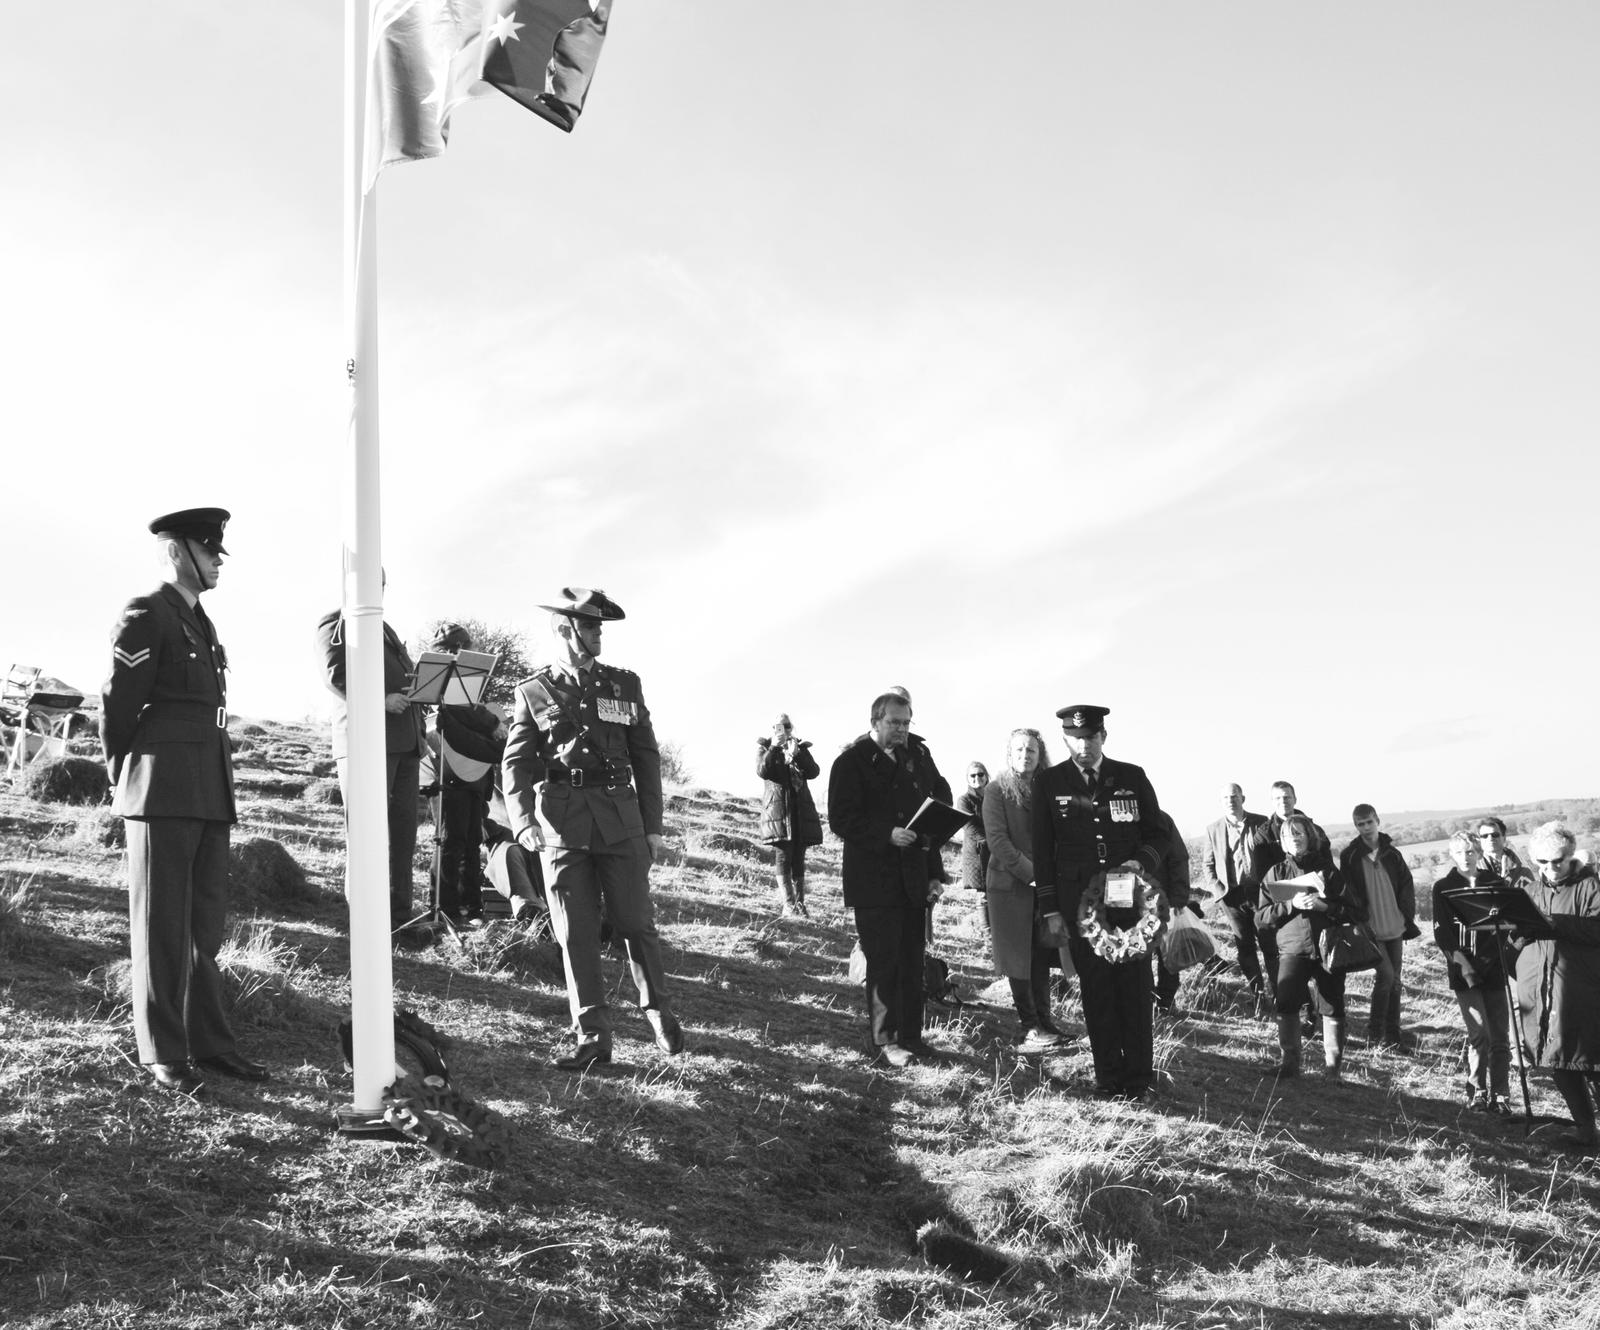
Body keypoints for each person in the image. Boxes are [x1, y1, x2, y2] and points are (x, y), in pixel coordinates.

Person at [100, 507, 267, 1094]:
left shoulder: (199, 621)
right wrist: (125, 777)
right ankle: (164, 1049)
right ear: (177, 552)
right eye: (208, 549)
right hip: (162, 782)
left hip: (208, 780)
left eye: (218, 551)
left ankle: (210, 1043)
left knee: (204, 927)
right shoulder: (148, 611)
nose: (219, 560)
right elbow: (119, 703)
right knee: (161, 924)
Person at [502, 587, 681, 1069]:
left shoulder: (624, 684)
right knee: (575, 933)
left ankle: (658, 1011)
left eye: (600, 626)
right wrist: (522, 822)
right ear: (565, 630)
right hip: (561, 825)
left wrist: (652, 825)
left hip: (620, 818)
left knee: (634, 922)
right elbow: (515, 762)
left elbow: (646, 756)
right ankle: (593, 1036)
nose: (599, 634)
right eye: (590, 626)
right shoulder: (533, 691)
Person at [1033, 704, 1167, 1100]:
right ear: (1064, 740)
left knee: (1135, 989)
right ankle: (1108, 1078)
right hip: (1081, 907)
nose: (1084, 745)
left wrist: (1140, 862)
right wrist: (1050, 908)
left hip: (1130, 905)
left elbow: (1158, 835)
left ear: (1103, 737)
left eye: (1090, 737)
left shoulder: (1131, 776)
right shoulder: (1049, 782)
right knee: (1097, 990)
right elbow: (1043, 851)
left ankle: (1139, 1079)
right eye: (1075, 738)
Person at [828, 691, 952, 1068]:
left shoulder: (917, 758)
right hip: (874, 879)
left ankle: (912, 1036)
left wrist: (934, 874)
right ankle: (886, 1040)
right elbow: (841, 819)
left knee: (912, 961)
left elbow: (932, 812)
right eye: (894, 723)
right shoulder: (851, 761)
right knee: (884, 963)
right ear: (875, 721)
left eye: (906, 723)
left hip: (913, 876)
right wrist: (886, 834)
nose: (901, 729)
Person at [314, 584, 428, 931]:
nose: (376, 590)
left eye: (380, 584)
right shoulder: (336, 621)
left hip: (406, 743)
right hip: (366, 742)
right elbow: (335, 675)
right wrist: (379, 700)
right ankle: (366, 922)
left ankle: (399, 917)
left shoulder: (385, 628)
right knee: (367, 834)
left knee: (403, 835)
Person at [1512, 822, 1600, 1150]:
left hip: (1581, 990)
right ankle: (1585, 1129)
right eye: (1542, 862)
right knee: (1557, 1062)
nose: (1550, 868)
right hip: (1539, 992)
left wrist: (1555, 923)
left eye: (1557, 860)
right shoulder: (1530, 892)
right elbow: (1517, 939)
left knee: (1591, 1062)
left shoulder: (1591, 888)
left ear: (1570, 855)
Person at [1256, 815, 1363, 1078]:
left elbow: (1355, 912)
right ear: (1282, 841)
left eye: (1299, 833)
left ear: (1309, 837)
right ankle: (1289, 1066)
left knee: (1332, 1005)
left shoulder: (1328, 871)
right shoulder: (1275, 874)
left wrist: (1325, 907)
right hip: (1293, 949)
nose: (1294, 839)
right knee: (1286, 1004)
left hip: (1329, 949)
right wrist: (1291, 905)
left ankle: (1332, 1071)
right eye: (1288, 835)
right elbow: (1261, 918)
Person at [982, 729, 1063, 1053]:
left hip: (1044, 886)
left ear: (1040, 754)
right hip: (1010, 886)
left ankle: (1045, 1022)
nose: (1024, 755)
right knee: (1018, 956)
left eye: (1031, 750)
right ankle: (1029, 1026)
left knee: (1041, 954)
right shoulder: (996, 790)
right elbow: (998, 841)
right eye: (1018, 750)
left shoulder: (1049, 788)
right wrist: (1033, 875)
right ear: (1009, 753)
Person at [427, 625, 507, 928]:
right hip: (450, 773)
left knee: (472, 840)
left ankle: (472, 907)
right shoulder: (441, 683)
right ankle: (445, 908)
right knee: (451, 841)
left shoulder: (464, 685)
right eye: (464, 648)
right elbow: (461, 713)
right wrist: (493, 726)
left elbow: (469, 713)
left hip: (473, 774)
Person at [1432, 831, 1512, 1113]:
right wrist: (1463, 965)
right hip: (1463, 968)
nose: (1465, 857)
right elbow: (1442, 932)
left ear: (1478, 853)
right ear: (1451, 855)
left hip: (1494, 966)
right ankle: (1477, 1090)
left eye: (1469, 851)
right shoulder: (1443, 887)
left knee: (1500, 1037)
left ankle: (1501, 1095)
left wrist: (1493, 959)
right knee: (1480, 1034)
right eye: (1459, 852)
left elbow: (1506, 925)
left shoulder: (1495, 883)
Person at [1339, 804, 1419, 1051]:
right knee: (1386, 976)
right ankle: (1374, 1036)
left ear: (1378, 821)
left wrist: (1406, 915)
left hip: (1395, 925)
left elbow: (1406, 884)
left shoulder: (1392, 853)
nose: (1365, 828)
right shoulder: (1350, 856)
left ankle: (1393, 1038)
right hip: (1370, 928)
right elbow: (1347, 892)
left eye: (1369, 822)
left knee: (1395, 981)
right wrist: (1358, 920)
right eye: (1360, 824)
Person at [1201, 784, 1282, 1002]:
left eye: (1234, 796)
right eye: (1226, 797)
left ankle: (1280, 995)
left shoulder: (1261, 822)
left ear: (1243, 798)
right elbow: (1207, 865)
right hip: (1232, 898)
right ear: (1221, 801)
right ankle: (1258, 996)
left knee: (1270, 945)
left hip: (1261, 894)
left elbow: (1274, 856)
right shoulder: (1213, 829)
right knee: (1245, 947)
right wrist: (1219, 892)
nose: (1231, 801)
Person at [755, 713, 823, 917]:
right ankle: (789, 905)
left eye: (787, 726)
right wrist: (775, 748)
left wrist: (798, 754)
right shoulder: (765, 747)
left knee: (799, 858)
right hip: (779, 811)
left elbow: (813, 772)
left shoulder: (799, 747)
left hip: (800, 811)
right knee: (784, 856)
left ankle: (800, 905)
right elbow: (763, 771)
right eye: (779, 726)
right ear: (772, 729)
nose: (783, 730)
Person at [1152, 809, 1197, 1012]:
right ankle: (1145, 1001)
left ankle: (1166, 1003)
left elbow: (1178, 858)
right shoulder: (1114, 817)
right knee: (1136, 955)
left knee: (1168, 955)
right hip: (1130, 903)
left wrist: (1178, 899)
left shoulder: (1161, 820)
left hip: (1164, 901)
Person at [957, 762, 991, 928]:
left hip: (997, 850)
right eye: (972, 775)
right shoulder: (964, 800)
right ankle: (986, 933)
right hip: (978, 854)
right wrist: (993, 841)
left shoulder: (994, 797)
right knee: (983, 894)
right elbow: (969, 826)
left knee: (997, 891)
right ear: (967, 779)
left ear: (986, 776)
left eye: (980, 774)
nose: (977, 778)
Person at [1476, 817, 1532, 885]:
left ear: (1504, 837)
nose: (1490, 838)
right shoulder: (1473, 869)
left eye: (1495, 835)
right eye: (1484, 836)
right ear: (1479, 840)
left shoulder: (1522, 866)